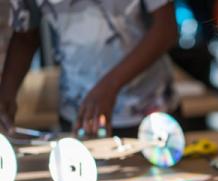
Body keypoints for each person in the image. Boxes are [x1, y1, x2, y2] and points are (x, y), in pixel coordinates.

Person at [0, 0, 178, 138]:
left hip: (150, 108)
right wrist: (6, 95)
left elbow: (166, 30)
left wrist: (109, 87)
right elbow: (25, 35)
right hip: (78, 111)